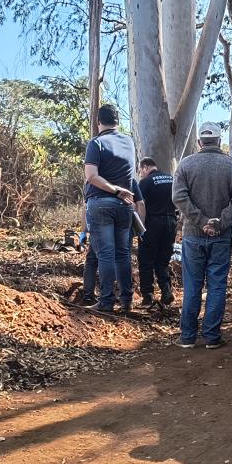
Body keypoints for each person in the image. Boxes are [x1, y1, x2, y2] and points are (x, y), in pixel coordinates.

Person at [172, 123, 232, 349]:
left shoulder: (186, 165)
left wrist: (200, 221)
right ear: (218, 141)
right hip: (221, 237)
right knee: (216, 286)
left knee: (192, 286)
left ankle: (187, 337)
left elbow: (178, 197)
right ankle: (212, 337)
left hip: (193, 236)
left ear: (199, 142)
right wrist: (219, 222)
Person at [83, 104, 141, 314]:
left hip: (102, 203)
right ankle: (127, 300)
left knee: (106, 253)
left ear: (98, 122)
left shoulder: (96, 143)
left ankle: (106, 301)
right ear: (117, 122)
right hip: (125, 206)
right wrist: (122, 193)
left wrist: (115, 190)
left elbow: (91, 176)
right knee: (122, 253)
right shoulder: (129, 142)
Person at [136, 156, 178, 311]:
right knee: (163, 260)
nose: (140, 174)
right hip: (171, 222)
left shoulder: (145, 182)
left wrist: (139, 228)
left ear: (145, 167)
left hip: (152, 223)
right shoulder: (172, 179)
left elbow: (140, 204)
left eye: (140, 171)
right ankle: (166, 291)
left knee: (146, 259)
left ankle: (148, 296)